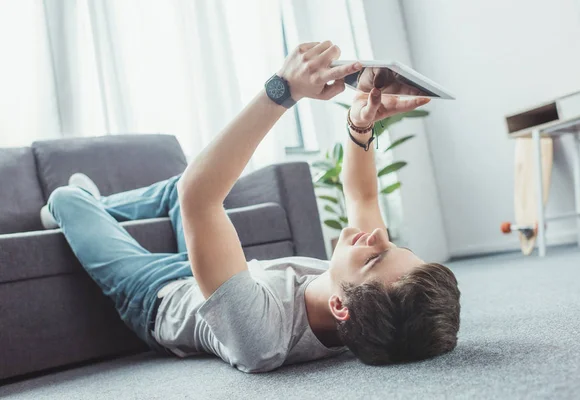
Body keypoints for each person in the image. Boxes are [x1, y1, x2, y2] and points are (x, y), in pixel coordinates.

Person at [42, 41, 461, 373]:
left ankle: (87, 204)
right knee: (176, 190)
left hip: (160, 297)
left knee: (67, 199)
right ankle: (106, 208)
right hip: (225, 274)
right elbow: (364, 197)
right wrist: (361, 122)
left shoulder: (263, 339)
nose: (377, 236)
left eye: (375, 258)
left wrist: (283, 89)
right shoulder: (362, 294)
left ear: (340, 307)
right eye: (393, 244)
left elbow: (199, 196)